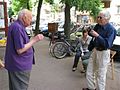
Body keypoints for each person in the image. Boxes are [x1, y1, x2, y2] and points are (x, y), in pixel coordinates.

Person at [4, 9, 44, 90]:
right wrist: (34, 40)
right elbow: (20, 50)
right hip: (19, 66)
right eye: (30, 18)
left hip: (16, 65)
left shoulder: (16, 26)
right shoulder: (17, 28)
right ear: (24, 17)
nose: (31, 20)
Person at [83, 10, 116, 90]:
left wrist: (97, 35)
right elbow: (93, 36)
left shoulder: (111, 30)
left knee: (101, 75)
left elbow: (107, 44)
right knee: (90, 71)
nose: (98, 19)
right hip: (95, 51)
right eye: (98, 17)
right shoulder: (98, 26)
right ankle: (91, 88)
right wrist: (89, 31)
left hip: (104, 53)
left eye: (100, 17)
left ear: (107, 19)